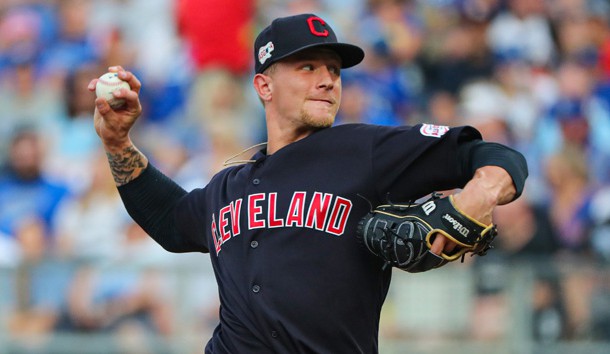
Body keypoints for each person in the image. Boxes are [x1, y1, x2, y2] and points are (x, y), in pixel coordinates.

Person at [88, 13, 528, 354]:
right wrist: (116, 141)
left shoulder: (364, 150)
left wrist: (479, 194)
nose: (327, 80)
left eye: (334, 70)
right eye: (308, 66)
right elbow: (168, 220)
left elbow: (488, 154)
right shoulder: (228, 187)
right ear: (264, 85)